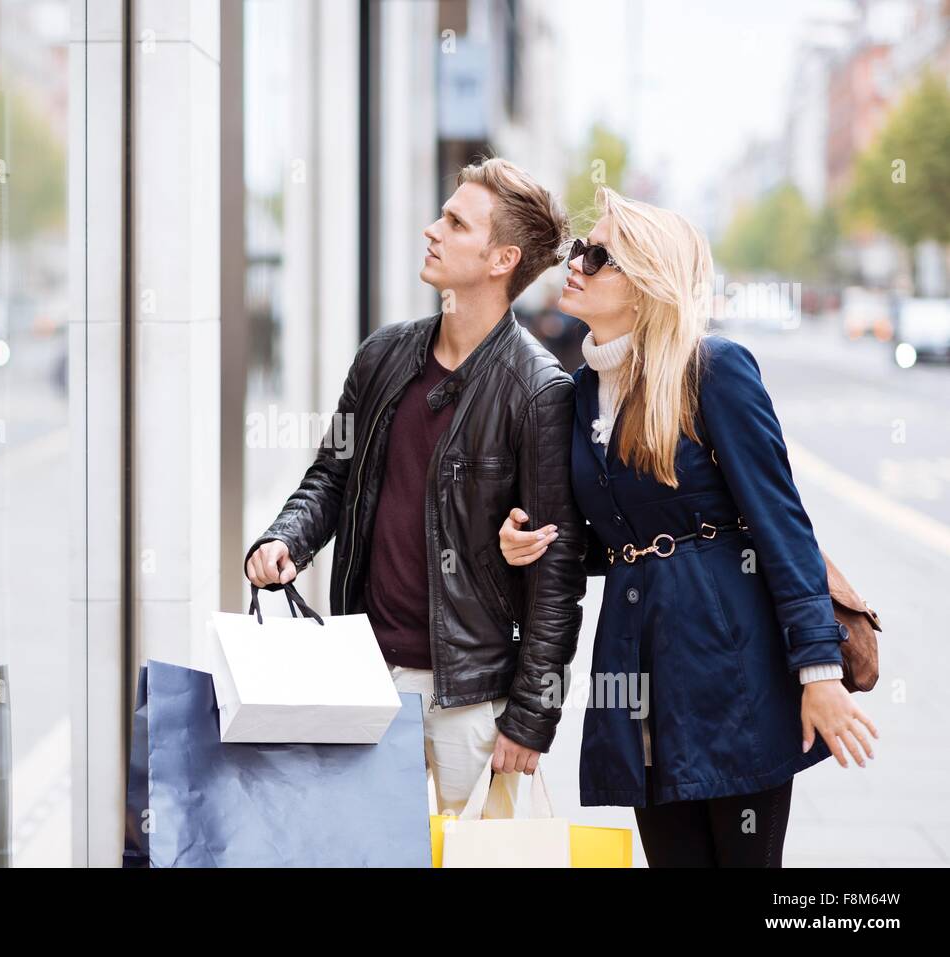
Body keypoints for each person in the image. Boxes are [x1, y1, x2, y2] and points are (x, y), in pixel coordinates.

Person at [501, 186, 878, 866]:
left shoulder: (714, 371)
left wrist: (819, 671)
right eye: (581, 248)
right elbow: (615, 531)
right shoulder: (582, 389)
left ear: (645, 286)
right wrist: (532, 539)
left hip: (731, 661)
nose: (576, 262)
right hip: (637, 661)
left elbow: (782, 523)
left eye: (600, 255)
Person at [243, 157, 587, 813]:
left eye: (456, 223)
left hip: (474, 694)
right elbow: (331, 473)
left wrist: (533, 714)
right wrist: (288, 537)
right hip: (365, 674)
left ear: (500, 259)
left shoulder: (539, 391)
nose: (432, 229)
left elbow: (557, 571)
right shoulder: (384, 354)